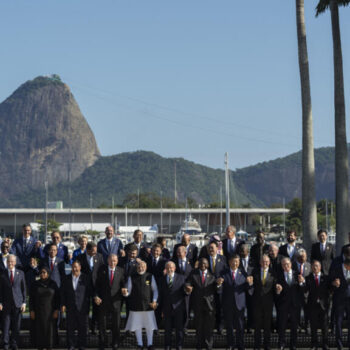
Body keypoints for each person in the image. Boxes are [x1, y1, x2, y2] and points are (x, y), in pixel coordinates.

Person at [217, 254, 254, 350]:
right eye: (233, 261)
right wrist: (219, 285)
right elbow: (219, 289)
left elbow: (248, 289)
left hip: (240, 304)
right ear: (229, 262)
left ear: (239, 262)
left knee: (240, 327)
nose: (235, 263)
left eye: (237, 261)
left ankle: (240, 345)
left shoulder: (243, 273)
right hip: (227, 304)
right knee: (229, 326)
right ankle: (230, 345)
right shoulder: (223, 273)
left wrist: (250, 284)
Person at [123, 260, 158, 350]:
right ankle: (140, 344)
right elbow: (128, 291)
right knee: (137, 325)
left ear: (146, 267)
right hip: (135, 305)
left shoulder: (150, 276)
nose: (140, 268)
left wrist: (154, 301)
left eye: (142, 266)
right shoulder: (132, 277)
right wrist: (125, 293)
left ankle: (150, 344)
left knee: (149, 326)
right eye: (139, 267)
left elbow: (155, 290)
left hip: (148, 305)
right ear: (136, 268)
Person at [185, 258, 218, 350]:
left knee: (209, 327)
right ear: (198, 264)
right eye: (201, 263)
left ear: (208, 264)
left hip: (209, 305)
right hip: (197, 304)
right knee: (198, 326)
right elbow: (188, 282)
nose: (203, 265)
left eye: (205, 263)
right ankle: (199, 345)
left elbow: (217, 289)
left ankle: (208, 346)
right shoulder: (193, 273)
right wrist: (188, 286)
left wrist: (219, 285)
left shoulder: (212, 275)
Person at [94, 254, 125, 350]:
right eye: (111, 260)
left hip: (116, 302)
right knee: (102, 324)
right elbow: (96, 285)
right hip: (103, 301)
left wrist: (124, 289)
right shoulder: (101, 270)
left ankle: (115, 343)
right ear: (107, 260)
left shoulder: (121, 271)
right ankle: (103, 342)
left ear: (117, 261)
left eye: (115, 261)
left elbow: (123, 284)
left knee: (116, 324)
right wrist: (96, 296)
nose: (113, 263)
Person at [61, 260, 91, 350]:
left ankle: (82, 345)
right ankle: (71, 345)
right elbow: (62, 293)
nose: (74, 269)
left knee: (83, 328)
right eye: (73, 267)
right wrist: (63, 304)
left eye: (76, 267)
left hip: (82, 307)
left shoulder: (86, 278)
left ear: (80, 267)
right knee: (70, 328)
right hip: (70, 307)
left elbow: (90, 292)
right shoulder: (66, 278)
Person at [301, 260, 330, 350]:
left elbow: (330, 289)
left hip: (323, 306)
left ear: (320, 267)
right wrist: (302, 283)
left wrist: (335, 285)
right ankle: (314, 344)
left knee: (324, 327)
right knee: (313, 326)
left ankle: (325, 344)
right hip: (312, 305)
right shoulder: (308, 277)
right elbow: (305, 290)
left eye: (317, 266)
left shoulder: (326, 277)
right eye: (313, 266)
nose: (315, 267)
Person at [76, 241, 104, 334]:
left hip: (97, 286)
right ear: (87, 250)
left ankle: (94, 328)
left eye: (95, 251)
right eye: (92, 251)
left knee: (96, 308)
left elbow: (102, 270)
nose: (94, 253)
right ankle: (86, 328)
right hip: (84, 286)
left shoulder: (99, 257)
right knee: (85, 308)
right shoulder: (80, 258)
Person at [157, 261, 186, 350]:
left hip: (178, 307)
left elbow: (185, 292)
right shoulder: (161, 279)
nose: (170, 269)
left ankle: (179, 346)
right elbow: (160, 295)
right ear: (165, 269)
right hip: (166, 308)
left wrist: (188, 291)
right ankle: (167, 346)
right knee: (167, 329)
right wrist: (160, 308)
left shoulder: (182, 278)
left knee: (179, 329)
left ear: (175, 268)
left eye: (171, 267)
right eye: (168, 267)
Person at [29, 266, 60, 350]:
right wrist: (31, 310)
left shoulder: (53, 284)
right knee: (39, 331)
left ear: (48, 273)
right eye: (41, 272)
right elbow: (31, 298)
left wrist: (57, 310)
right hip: (38, 312)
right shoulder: (35, 284)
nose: (42, 274)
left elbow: (57, 298)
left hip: (50, 312)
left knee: (50, 332)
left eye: (44, 272)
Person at [0, 254, 27, 350]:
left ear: (15, 262)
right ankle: (6, 344)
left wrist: (24, 303)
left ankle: (14, 343)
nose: (10, 263)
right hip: (6, 304)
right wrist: (0, 302)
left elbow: (24, 289)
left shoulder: (21, 273)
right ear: (6, 263)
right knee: (6, 326)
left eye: (12, 261)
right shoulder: (2, 274)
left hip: (18, 303)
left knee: (17, 325)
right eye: (8, 261)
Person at [275, 257, 301, 350]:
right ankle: (281, 344)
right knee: (282, 326)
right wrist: (278, 291)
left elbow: (301, 289)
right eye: (284, 264)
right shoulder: (278, 275)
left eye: (287, 264)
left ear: (291, 264)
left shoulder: (297, 274)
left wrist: (302, 283)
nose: (286, 266)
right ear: (281, 266)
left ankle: (293, 344)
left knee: (294, 326)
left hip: (294, 304)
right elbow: (276, 292)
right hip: (283, 304)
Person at [251, 255, 275, 350]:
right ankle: (257, 345)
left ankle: (267, 345)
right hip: (257, 302)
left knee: (267, 326)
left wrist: (278, 289)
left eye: (266, 261)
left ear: (269, 262)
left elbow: (275, 285)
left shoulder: (273, 272)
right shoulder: (255, 271)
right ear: (260, 262)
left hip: (268, 303)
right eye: (263, 261)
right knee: (257, 326)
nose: (265, 263)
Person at [330, 257, 350, 350]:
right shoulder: (336, 268)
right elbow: (329, 282)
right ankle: (339, 343)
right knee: (338, 322)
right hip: (339, 299)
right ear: (345, 265)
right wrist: (334, 284)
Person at [207, 241, 227, 335]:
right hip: (207, 288)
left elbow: (226, 272)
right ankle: (209, 328)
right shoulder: (204, 259)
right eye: (209, 248)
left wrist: (221, 279)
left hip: (220, 288)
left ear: (217, 248)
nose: (211, 249)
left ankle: (220, 328)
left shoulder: (223, 258)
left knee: (220, 309)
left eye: (212, 248)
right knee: (209, 309)